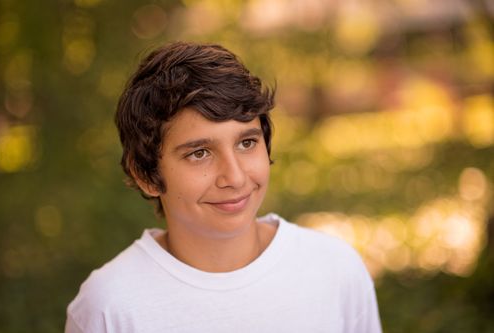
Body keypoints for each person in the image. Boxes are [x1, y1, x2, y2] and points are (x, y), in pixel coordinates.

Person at [65, 42, 382, 332]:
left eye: (246, 143)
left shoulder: (335, 270)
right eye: (199, 153)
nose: (235, 177)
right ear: (146, 175)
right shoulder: (110, 307)